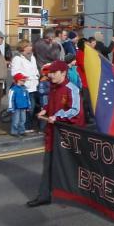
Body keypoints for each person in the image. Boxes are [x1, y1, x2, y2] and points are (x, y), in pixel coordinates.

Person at [27, 60, 85, 208]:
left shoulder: (72, 89)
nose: (50, 75)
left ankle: (73, 196)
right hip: (52, 134)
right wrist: (45, 110)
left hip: (66, 136)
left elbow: (75, 110)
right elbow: (51, 103)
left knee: (68, 167)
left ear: (63, 73)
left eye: (54, 72)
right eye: (49, 73)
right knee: (49, 166)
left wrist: (57, 116)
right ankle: (44, 195)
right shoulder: (53, 88)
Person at [10, 39, 40, 133]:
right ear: (23, 47)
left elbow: (35, 69)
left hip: (34, 85)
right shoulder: (17, 58)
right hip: (25, 87)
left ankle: (27, 126)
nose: (31, 47)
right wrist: (24, 78)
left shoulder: (33, 57)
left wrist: (38, 75)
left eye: (31, 46)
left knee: (32, 107)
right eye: (29, 46)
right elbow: (14, 72)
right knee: (27, 108)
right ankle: (25, 127)